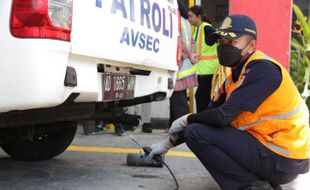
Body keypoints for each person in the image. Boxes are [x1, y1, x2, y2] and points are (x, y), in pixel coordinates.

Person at [148, 15, 310, 190]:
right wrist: (167, 144)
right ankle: (258, 183)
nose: (224, 47)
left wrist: (187, 119)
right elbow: (207, 117)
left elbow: (221, 117)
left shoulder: (263, 70)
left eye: (231, 42)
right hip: (267, 148)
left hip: (285, 158)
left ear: (251, 46)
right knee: (196, 130)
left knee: (196, 132)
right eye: (221, 41)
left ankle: (251, 186)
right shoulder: (233, 78)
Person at [169, 1, 198, 126]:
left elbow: (182, 42)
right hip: (185, 64)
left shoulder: (178, 21)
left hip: (180, 65)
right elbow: (191, 42)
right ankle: (173, 125)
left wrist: (187, 55)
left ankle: (184, 126)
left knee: (178, 99)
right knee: (177, 98)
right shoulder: (185, 22)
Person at [188, 6, 219, 113]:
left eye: (191, 16)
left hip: (209, 70)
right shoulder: (198, 29)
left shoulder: (206, 27)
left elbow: (219, 36)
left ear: (199, 16)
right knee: (203, 98)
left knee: (202, 99)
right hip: (204, 70)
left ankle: (204, 123)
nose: (189, 19)